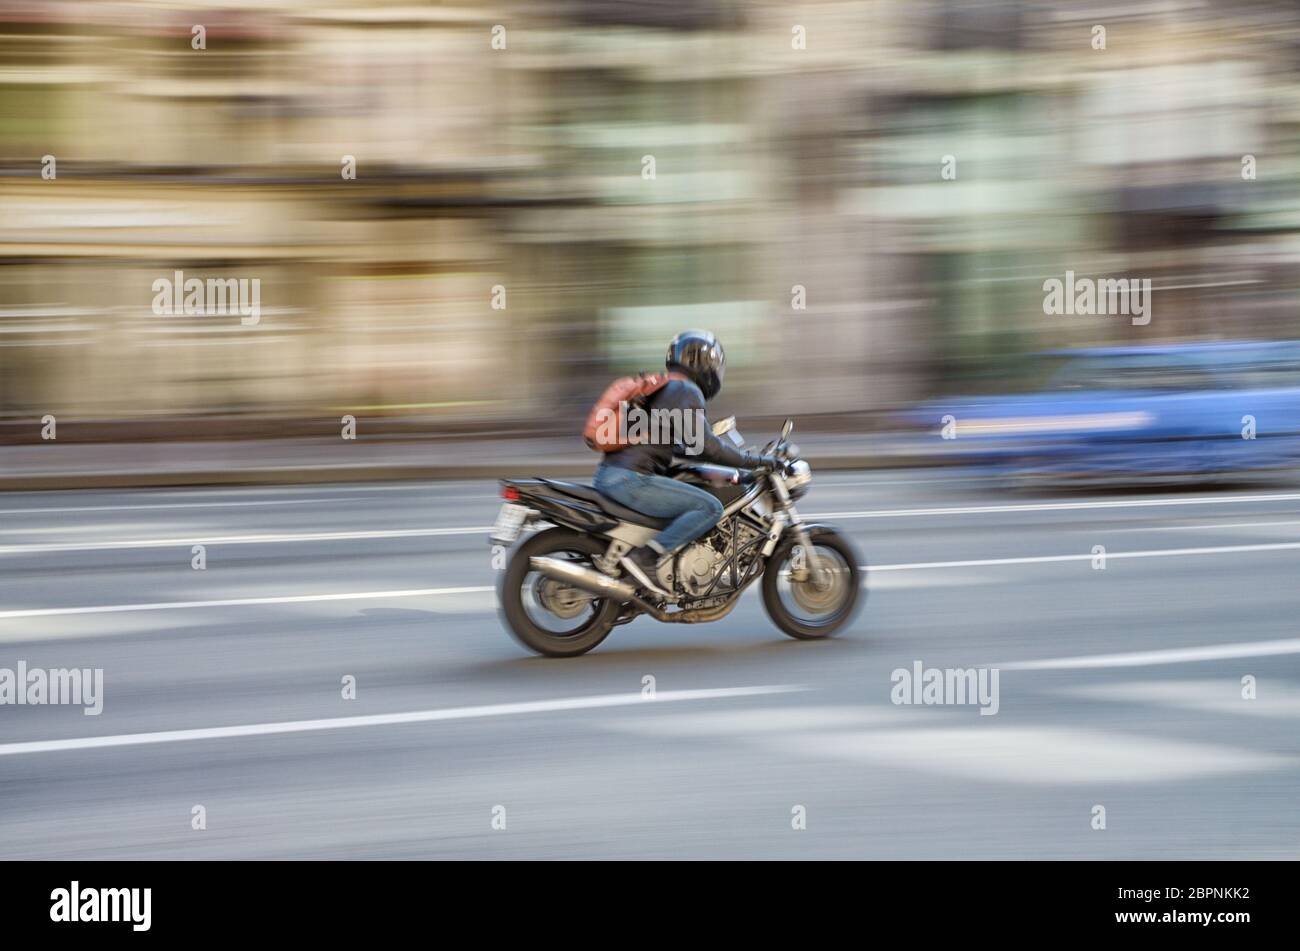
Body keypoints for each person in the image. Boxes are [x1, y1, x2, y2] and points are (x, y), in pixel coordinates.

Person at [593, 329, 780, 593]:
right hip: (631, 480)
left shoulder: (663, 387)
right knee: (709, 507)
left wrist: (738, 473)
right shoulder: (685, 389)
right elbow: (709, 448)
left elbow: (686, 449)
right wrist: (757, 461)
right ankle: (646, 559)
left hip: (613, 476)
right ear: (704, 364)